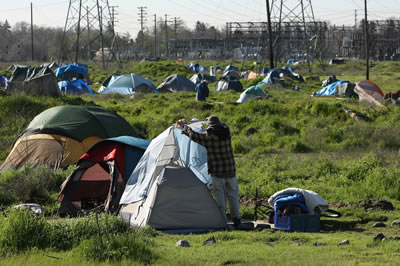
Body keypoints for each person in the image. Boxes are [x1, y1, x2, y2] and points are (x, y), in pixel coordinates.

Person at [176, 116, 241, 229]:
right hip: (231, 172)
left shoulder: (209, 138)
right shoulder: (227, 133)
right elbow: (222, 125)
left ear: (210, 128)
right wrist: (209, 121)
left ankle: (222, 222)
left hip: (218, 173)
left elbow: (194, 136)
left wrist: (184, 127)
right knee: (233, 197)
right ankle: (237, 219)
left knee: (220, 199)